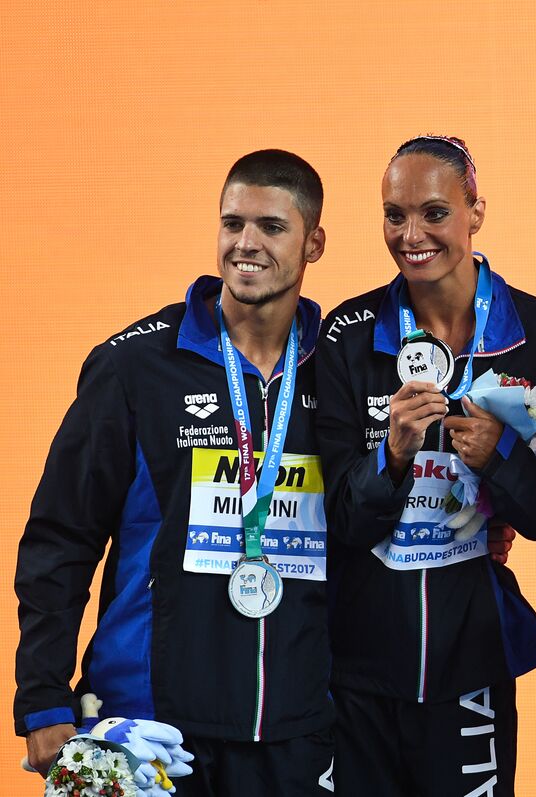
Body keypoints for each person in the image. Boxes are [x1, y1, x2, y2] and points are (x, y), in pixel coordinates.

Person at [14, 150, 334, 795]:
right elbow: (61, 538)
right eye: (232, 224)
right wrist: (43, 698)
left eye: (271, 227)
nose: (245, 244)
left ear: (313, 242)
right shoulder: (132, 368)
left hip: (295, 726)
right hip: (147, 722)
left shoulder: (338, 367)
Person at [316, 135, 536, 797]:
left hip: (471, 662)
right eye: (394, 215)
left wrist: (499, 456)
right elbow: (336, 517)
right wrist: (392, 456)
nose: (411, 234)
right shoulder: (349, 333)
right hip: (359, 664)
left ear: (475, 211)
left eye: (434, 212)